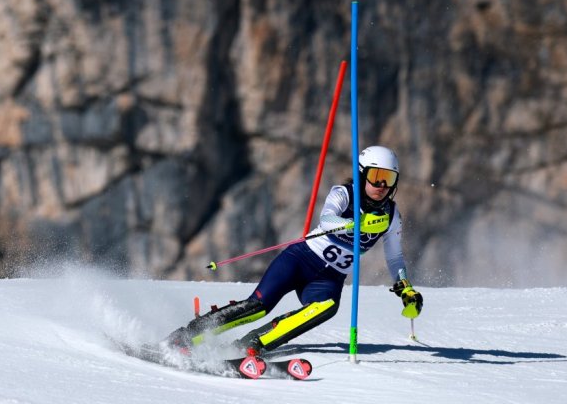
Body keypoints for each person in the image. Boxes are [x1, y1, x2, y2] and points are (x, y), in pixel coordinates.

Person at [166, 145, 423, 356]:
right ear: (361, 174)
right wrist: (354, 223)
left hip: (329, 277)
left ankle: (251, 345)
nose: (382, 186)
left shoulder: (391, 216)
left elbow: (395, 256)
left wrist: (405, 286)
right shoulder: (344, 194)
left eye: (388, 179)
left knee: (327, 306)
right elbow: (326, 220)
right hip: (301, 259)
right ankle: (187, 335)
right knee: (258, 306)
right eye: (376, 177)